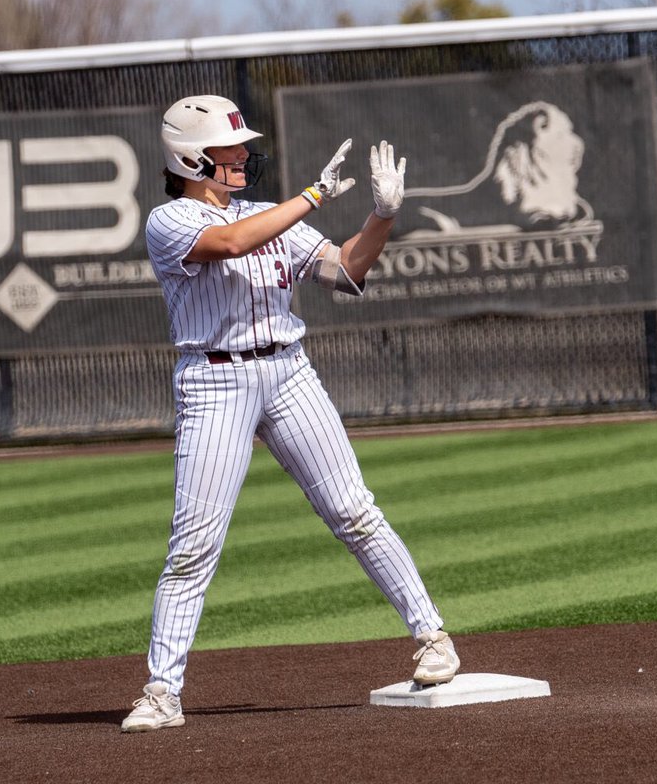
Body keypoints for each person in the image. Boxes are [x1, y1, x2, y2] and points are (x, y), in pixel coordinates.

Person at [121, 94, 458, 733]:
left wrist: (382, 216)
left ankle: (432, 637)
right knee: (194, 545)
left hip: (288, 372)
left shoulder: (271, 214)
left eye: (243, 146)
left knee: (354, 510)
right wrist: (312, 196)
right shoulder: (170, 221)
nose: (244, 155)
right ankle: (163, 691)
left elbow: (346, 272)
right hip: (215, 382)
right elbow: (226, 242)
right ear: (192, 157)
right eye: (230, 149)